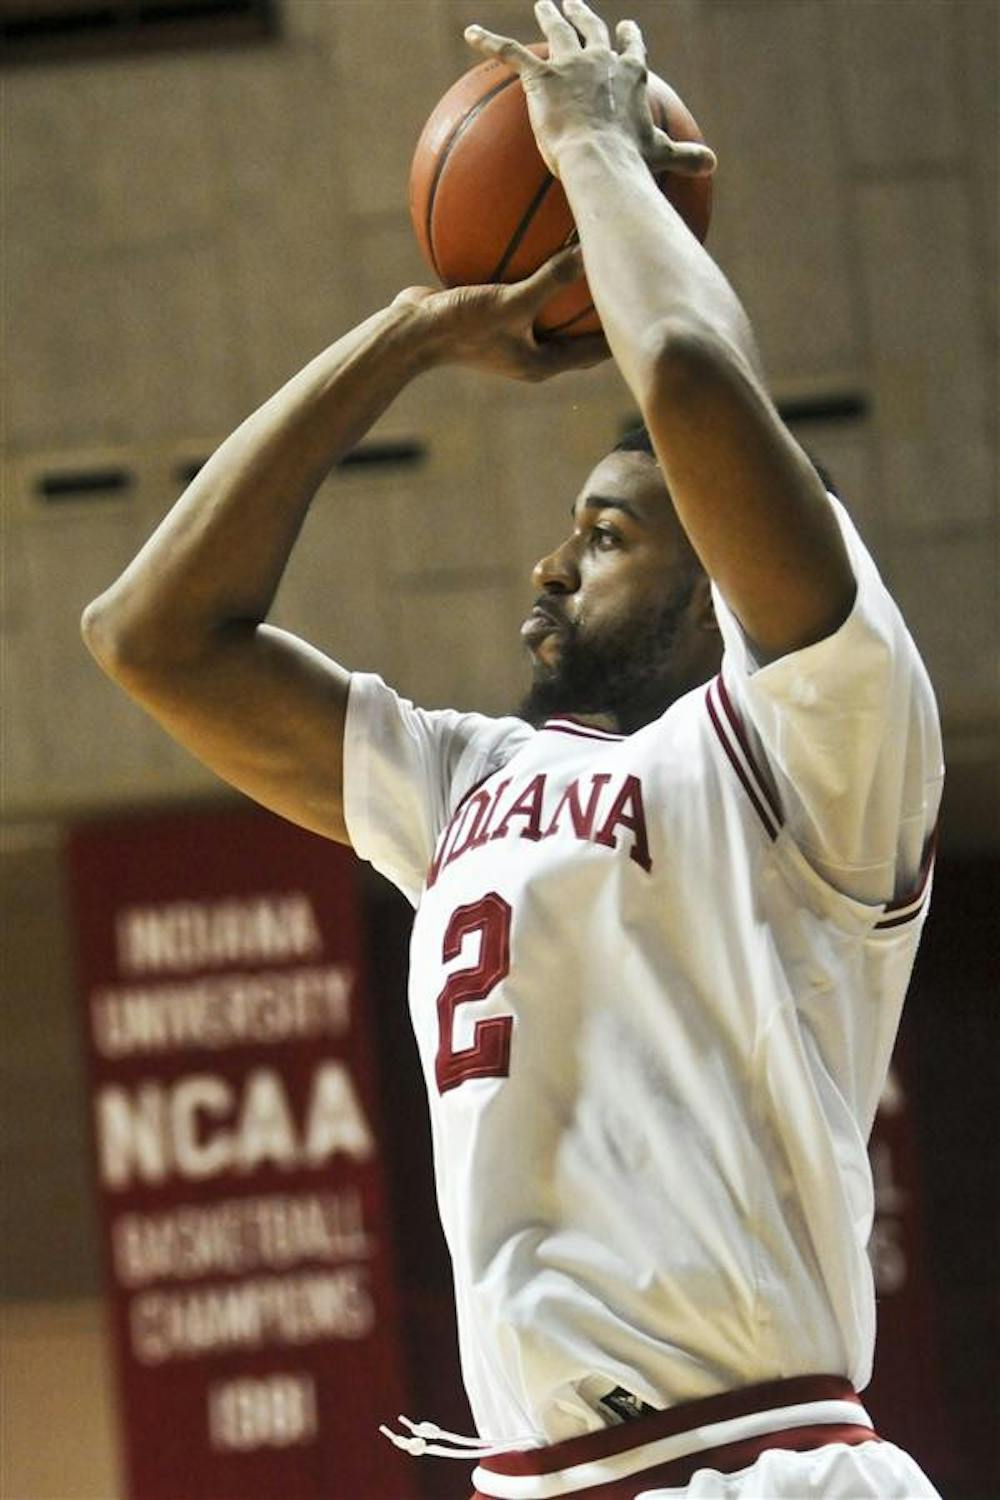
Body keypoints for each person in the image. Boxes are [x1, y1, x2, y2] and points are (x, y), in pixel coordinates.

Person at [82, 2, 945, 1495]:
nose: (550, 568)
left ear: (714, 581)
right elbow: (149, 636)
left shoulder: (818, 745)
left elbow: (685, 380)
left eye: (606, 535)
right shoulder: (468, 785)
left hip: (758, 1463)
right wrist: (409, 335)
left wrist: (594, 148)